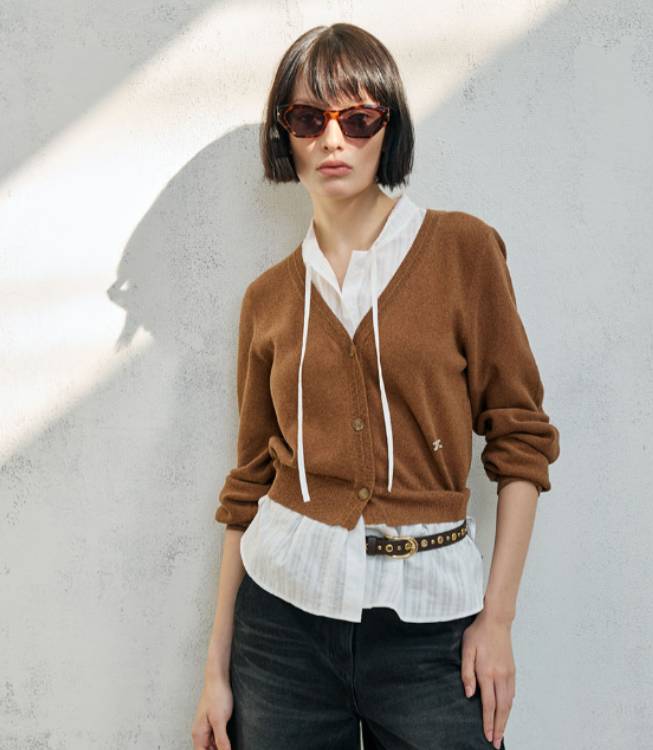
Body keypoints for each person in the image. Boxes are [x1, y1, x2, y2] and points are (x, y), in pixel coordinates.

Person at [192, 22, 560, 750]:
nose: (333, 139)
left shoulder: (462, 252)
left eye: (358, 118)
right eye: (308, 118)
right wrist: (215, 670)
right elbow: (250, 484)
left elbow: (520, 440)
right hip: (280, 630)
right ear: (285, 135)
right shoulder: (268, 299)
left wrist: (498, 621)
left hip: (431, 631)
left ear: (388, 129)